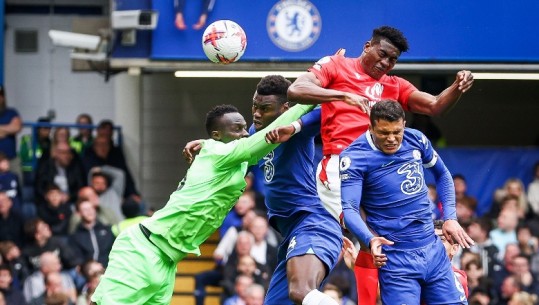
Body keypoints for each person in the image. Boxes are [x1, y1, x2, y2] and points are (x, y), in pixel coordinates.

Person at [287, 25, 474, 305]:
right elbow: (296, 89)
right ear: (367, 46)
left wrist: (456, 89)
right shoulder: (336, 65)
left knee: (404, 231)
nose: (386, 63)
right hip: (342, 165)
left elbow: (435, 105)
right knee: (370, 234)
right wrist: (341, 95)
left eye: (392, 60)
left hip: (384, 168)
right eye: (383, 54)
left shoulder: (394, 85)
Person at [90, 102, 315, 304]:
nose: (245, 133)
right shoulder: (217, 152)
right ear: (217, 135)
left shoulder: (230, 160)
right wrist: (308, 100)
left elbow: (261, 143)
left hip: (167, 260)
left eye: (245, 127)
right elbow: (265, 137)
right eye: (237, 129)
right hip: (143, 250)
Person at [338, 101, 473, 304]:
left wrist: (450, 218)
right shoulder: (354, 157)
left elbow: (443, 175)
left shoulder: (416, 139)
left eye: (397, 131)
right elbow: (349, 208)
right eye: (384, 133)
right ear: (371, 127)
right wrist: (369, 239)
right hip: (396, 260)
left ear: (403, 124)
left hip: (433, 251)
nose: (392, 139)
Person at [247, 75, 343, 305]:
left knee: (301, 291)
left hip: (314, 222)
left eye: (265, 108)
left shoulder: (296, 129)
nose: (257, 113)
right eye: (255, 106)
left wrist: (294, 125)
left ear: (285, 108)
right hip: (290, 233)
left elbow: (331, 109)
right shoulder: (254, 132)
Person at [0, 86, 23, 179]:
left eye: (1, 95)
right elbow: (11, 128)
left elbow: (17, 127)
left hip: (11, 159)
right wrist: (7, 130)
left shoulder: (11, 112)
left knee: (18, 183)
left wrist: (1, 130)